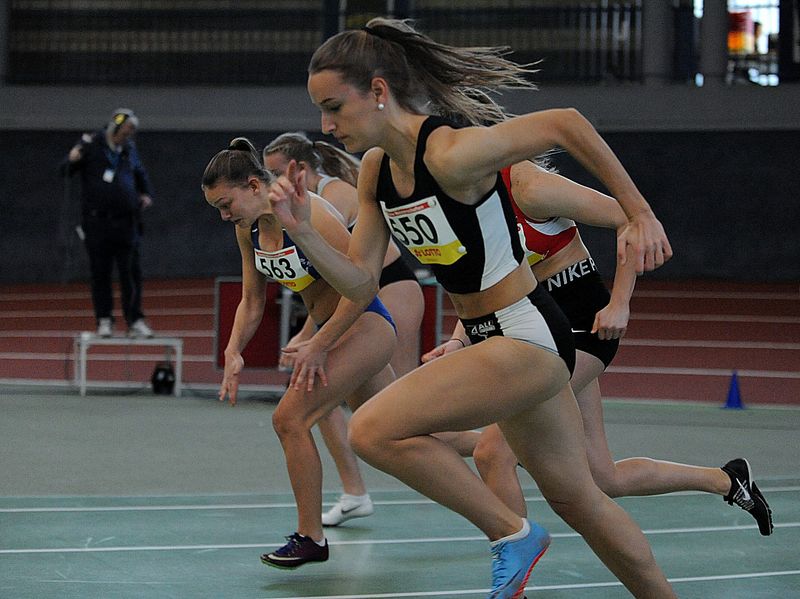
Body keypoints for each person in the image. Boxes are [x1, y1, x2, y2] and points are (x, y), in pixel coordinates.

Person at [266, 18, 677, 598]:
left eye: (334, 108)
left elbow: (566, 123)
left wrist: (639, 213)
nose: (325, 126)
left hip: (526, 335)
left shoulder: (454, 152)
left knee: (373, 429)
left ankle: (510, 533)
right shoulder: (378, 173)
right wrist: (304, 233)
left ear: (379, 92)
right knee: (579, 498)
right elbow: (360, 283)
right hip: (495, 340)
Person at [425, 159, 774, 536]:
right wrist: (459, 340)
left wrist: (620, 301)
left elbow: (631, 219)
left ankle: (514, 574)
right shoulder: (461, 203)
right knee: (604, 477)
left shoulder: (528, 186)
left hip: (582, 325)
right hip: (533, 326)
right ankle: (728, 479)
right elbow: (487, 283)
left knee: (492, 452)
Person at [201, 137, 397, 569]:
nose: (223, 214)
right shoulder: (246, 227)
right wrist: (235, 351)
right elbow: (253, 301)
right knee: (407, 435)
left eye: (225, 203)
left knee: (289, 419)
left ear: (254, 186)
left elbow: (361, 289)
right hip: (330, 332)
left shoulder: (313, 217)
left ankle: (311, 537)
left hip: (364, 324)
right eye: (216, 207)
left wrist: (320, 344)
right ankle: (497, 452)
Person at [264, 131, 425, 526]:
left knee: (406, 416)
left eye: (273, 173)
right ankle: (354, 492)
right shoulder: (297, 206)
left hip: (388, 293)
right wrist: (309, 336)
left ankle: (490, 448)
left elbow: (347, 279)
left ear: (298, 170)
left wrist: (310, 338)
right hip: (352, 307)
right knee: (318, 399)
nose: (269, 184)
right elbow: (322, 287)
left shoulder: (328, 201)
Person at [60, 108, 155, 338]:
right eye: (127, 129)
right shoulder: (91, 145)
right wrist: (71, 159)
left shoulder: (128, 150)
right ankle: (104, 320)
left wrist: (145, 194)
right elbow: (65, 170)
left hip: (126, 223)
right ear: (116, 126)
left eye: (132, 131)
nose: (129, 134)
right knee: (100, 273)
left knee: (130, 273)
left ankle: (134, 321)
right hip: (97, 223)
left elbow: (141, 175)